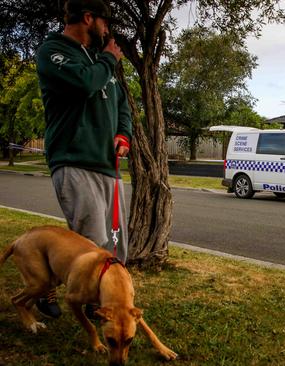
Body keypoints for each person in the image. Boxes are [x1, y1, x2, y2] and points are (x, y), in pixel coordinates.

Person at [35, 0, 132, 319]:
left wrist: (123, 134)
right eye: (104, 22)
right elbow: (84, 84)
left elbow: (121, 106)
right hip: (74, 159)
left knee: (116, 245)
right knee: (91, 243)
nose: (107, 29)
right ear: (88, 18)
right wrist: (108, 60)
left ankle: (103, 300)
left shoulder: (100, 60)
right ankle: (89, 304)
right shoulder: (53, 51)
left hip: (108, 164)